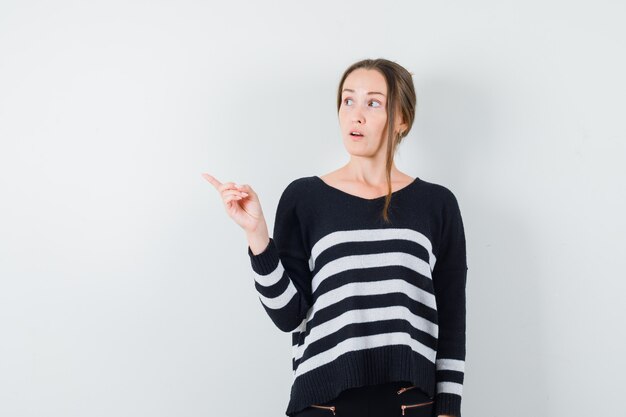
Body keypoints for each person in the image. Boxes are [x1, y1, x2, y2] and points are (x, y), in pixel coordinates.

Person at [202, 58, 468, 417]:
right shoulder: (305, 198)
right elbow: (289, 317)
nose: (356, 115)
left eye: (373, 102)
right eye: (348, 100)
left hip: (409, 401)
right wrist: (258, 236)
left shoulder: (437, 205)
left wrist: (449, 410)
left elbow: (451, 323)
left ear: (402, 119)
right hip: (324, 402)